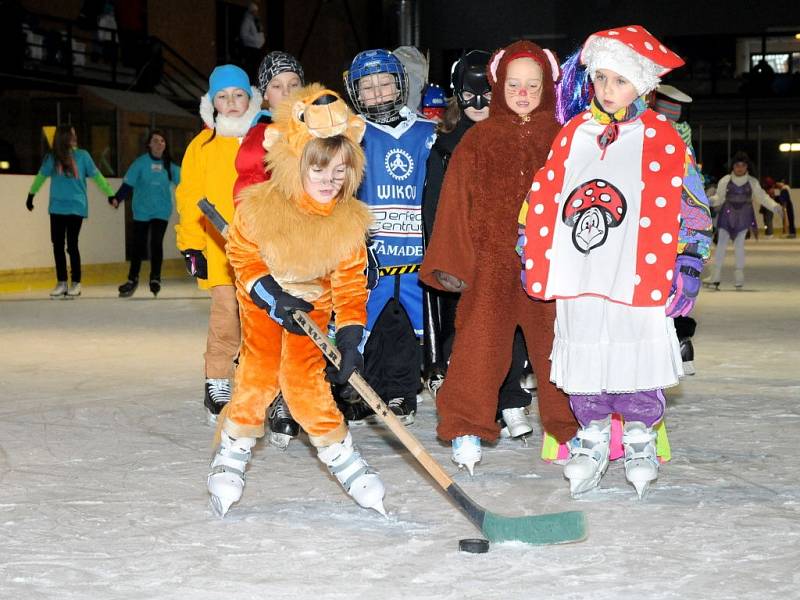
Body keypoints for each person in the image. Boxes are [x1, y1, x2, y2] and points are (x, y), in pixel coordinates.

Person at [520, 25, 713, 499]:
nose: (607, 91)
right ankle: (593, 434)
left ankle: (640, 434)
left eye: (620, 81)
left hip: (636, 272)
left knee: (633, 351)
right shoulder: (573, 134)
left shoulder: (665, 138)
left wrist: (687, 263)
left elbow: (692, 204)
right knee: (585, 350)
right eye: (601, 79)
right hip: (581, 272)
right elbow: (543, 194)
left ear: (643, 84)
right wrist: (529, 243)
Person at [207, 84, 385, 518]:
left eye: (340, 172)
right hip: (264, 296)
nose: (330, 181)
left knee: (305, 385)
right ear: (295, 163)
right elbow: (243, 257)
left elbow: (349, 285)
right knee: (259, 373)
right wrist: (272, 296)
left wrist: (349, 340)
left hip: (312, 305)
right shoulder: (262, 206)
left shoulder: (347, 222)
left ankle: (344, 459)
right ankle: (231, 453)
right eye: (319, 170)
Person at [420, 40, 578, 475]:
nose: (523, 92)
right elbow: (455, 204)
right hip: (491, 265)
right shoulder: (479, 139)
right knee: (478, 344)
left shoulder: (565, 139)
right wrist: (452, 263)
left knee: (557, 348)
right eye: (514, 84)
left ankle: (570, 426)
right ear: (498, 84)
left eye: (532, 84)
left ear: (547, 86)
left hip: (551, 267)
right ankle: (466, 425)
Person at [342, 49, 437, 424]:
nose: (378, 92)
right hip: (372, 261)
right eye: (368, 86)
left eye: (385, 83)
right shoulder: (350, 136)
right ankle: (363, 392)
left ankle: (403, 394)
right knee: (365, 328)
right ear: (356, 93)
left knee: (414, 333)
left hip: (418, 258)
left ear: (401, 85)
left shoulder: (428, 133)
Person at [175, 64, 261, 422]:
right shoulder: (202, 145)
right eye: (222, 97)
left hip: (262, 247)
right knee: (226, 318)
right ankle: (218, 379)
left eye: (238, 95)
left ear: (249, 97)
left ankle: (262, 383)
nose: (231, 103)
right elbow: (190, 198)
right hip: (220, 248)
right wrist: (191, 245)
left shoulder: (263, 137)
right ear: (212, 103)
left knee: (262, 318)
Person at [233, 50, 304, 449]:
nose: (286, 92)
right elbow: (247, 183)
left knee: (307, 321)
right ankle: (275, 398)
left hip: (311, 242)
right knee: (273, 321)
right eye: (277, 86)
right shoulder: (259, 134)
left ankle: (297, 395)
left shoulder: (316, 126)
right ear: (264, 95)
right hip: (272, 241)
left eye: (294, 84)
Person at [26, 124, 116, 298]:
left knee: (72, 244)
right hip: (57, 207)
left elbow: (97, 175)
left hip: (76, 205)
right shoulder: (52, 157)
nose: (75, 137)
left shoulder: (83, 156)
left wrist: (110, 194)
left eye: (75, 134)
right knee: (57, 245)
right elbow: (41, 176)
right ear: (63, 137)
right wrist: (31, 194)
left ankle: (76, 282)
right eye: (72, 134)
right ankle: (61, 282)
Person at [114, 130, 181, 297]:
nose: (160, 144)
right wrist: (117, 198)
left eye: (162, 141)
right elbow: (128, 183)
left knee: (156, 243)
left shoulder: (170, 166)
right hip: (141, 211)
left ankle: (155, 278)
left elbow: (185, 184)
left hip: (161, 210)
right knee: (138, 245)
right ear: (149, 145)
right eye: (156, 141)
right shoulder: (140, 163)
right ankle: (132, 279)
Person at [705, 152, 782, 289]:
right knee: (721, 245)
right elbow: (719, 198)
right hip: (727, 215)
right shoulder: (725, 180)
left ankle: (739, 276)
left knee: (739, 245)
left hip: (744, 216)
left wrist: (774, 206)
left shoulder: (752, 182)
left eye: (743, 165)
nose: (740, 168)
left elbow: (762, 197)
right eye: (737, 165)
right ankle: (716, 276)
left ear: (747, 167)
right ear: (733, 166)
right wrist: (709, 201)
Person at [239, 1, 265, 78]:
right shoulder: (247, 21)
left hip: (258, 48)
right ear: (251, 11)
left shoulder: (256, 21)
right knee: (251, 69)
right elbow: (244, 35)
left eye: (257, 11)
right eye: (254, 11)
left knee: (257, 68)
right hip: (251, 49)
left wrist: (262, 41)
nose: (256, 13)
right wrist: (256, 41)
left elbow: (260, 33)